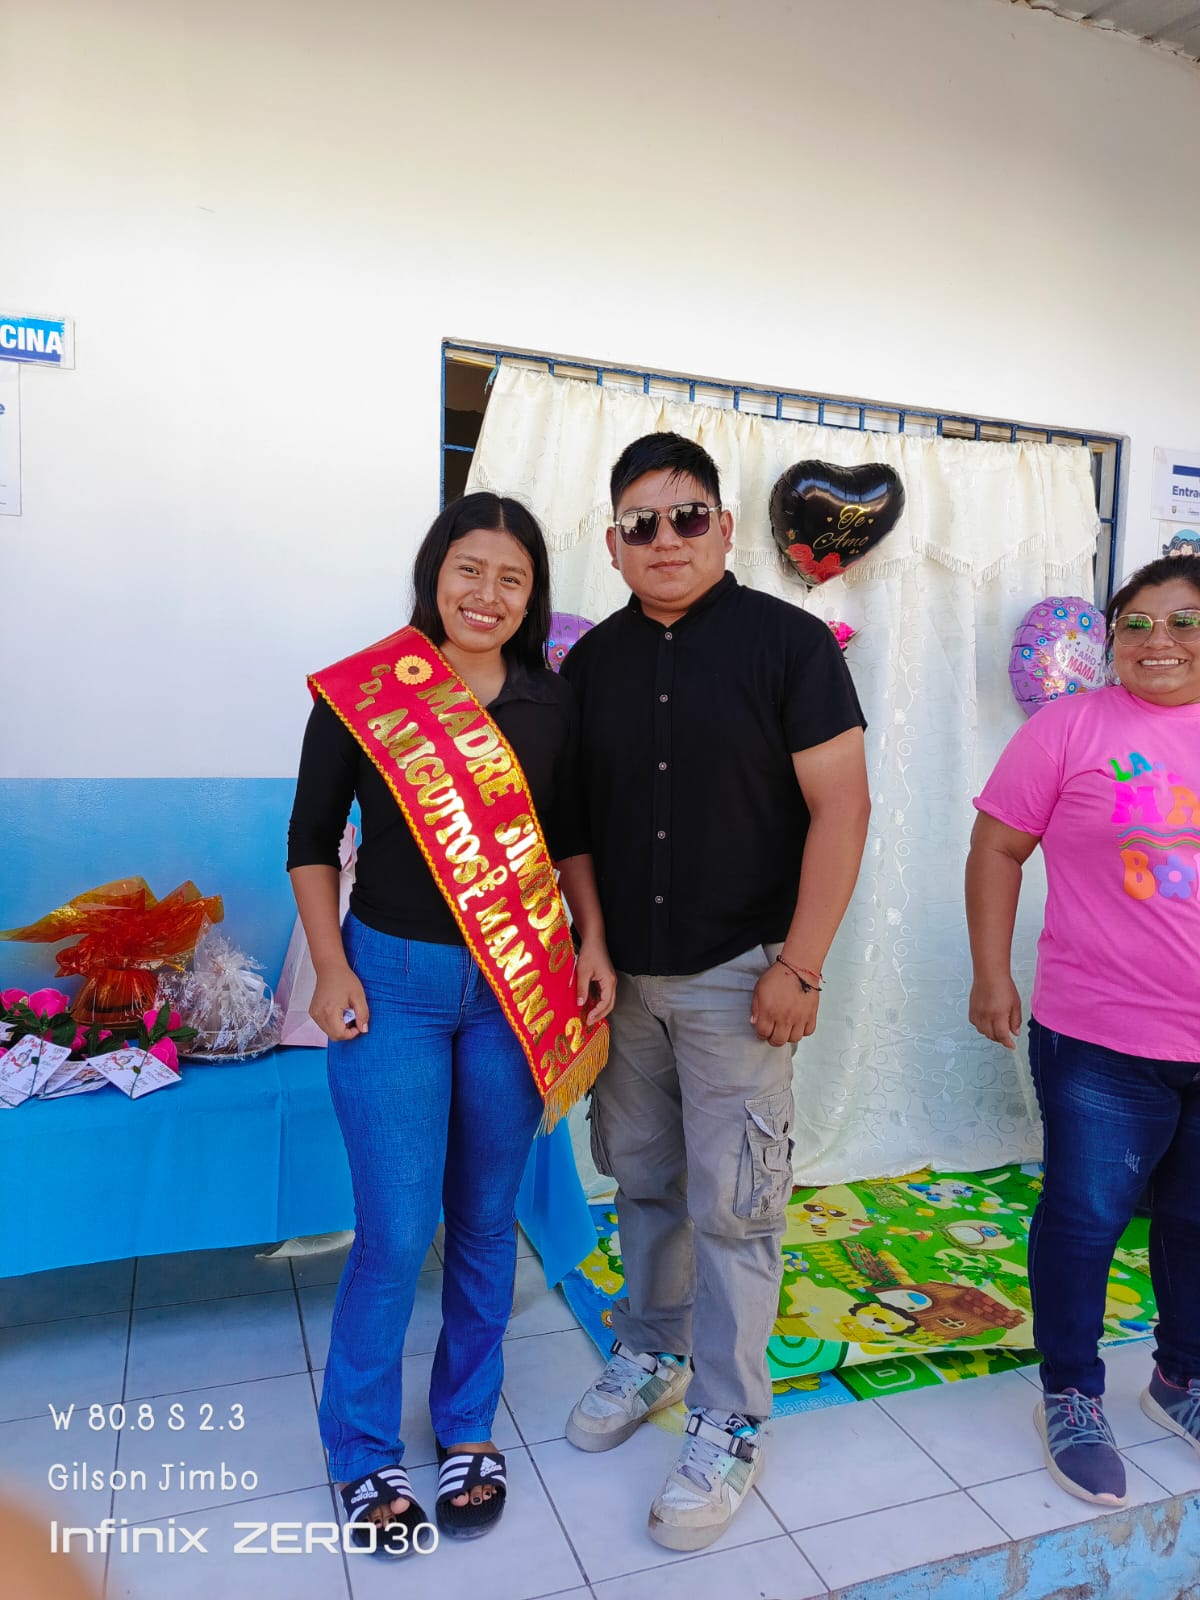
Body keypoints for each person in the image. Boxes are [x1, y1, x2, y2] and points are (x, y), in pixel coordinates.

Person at [287, 492, 615, 1554]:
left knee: (483, 1220)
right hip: (391, 986)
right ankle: (360, 1448)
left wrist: (592, 942)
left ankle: (467, 1423)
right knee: (392, 1231)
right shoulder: (368, 691)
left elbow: (569, 838)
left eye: (512, 579)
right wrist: (329, 966)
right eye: (470, 569)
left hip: (518, 987)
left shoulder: (552, 702)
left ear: (533, 596)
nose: (487, 594)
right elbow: (309, 840)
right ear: (436, 572)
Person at [560, 432, 870, 1550]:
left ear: (726, 528)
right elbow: (574, 827)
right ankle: (652, 1348)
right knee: (643, 1180)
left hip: (744, 976)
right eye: (640, 523)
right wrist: (592, 946)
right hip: (626, 983)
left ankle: (731, 1419)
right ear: (613, 545)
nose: (667, 538)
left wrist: (801, 964)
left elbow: (844, 807)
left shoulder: (789, 645)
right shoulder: (589, 665)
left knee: (736, 1205)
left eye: (688, 515)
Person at [967, 553, 1200, 1508]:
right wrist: (991, 973)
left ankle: (1180, 1379)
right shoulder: (1069, 729)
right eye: (1135, 623)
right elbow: (997, 846)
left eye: (1183, 621)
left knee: (1194, 1219)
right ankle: (1070, 1394)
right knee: (1085, 1218)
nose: (1158, 640)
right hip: (1101, 1038)